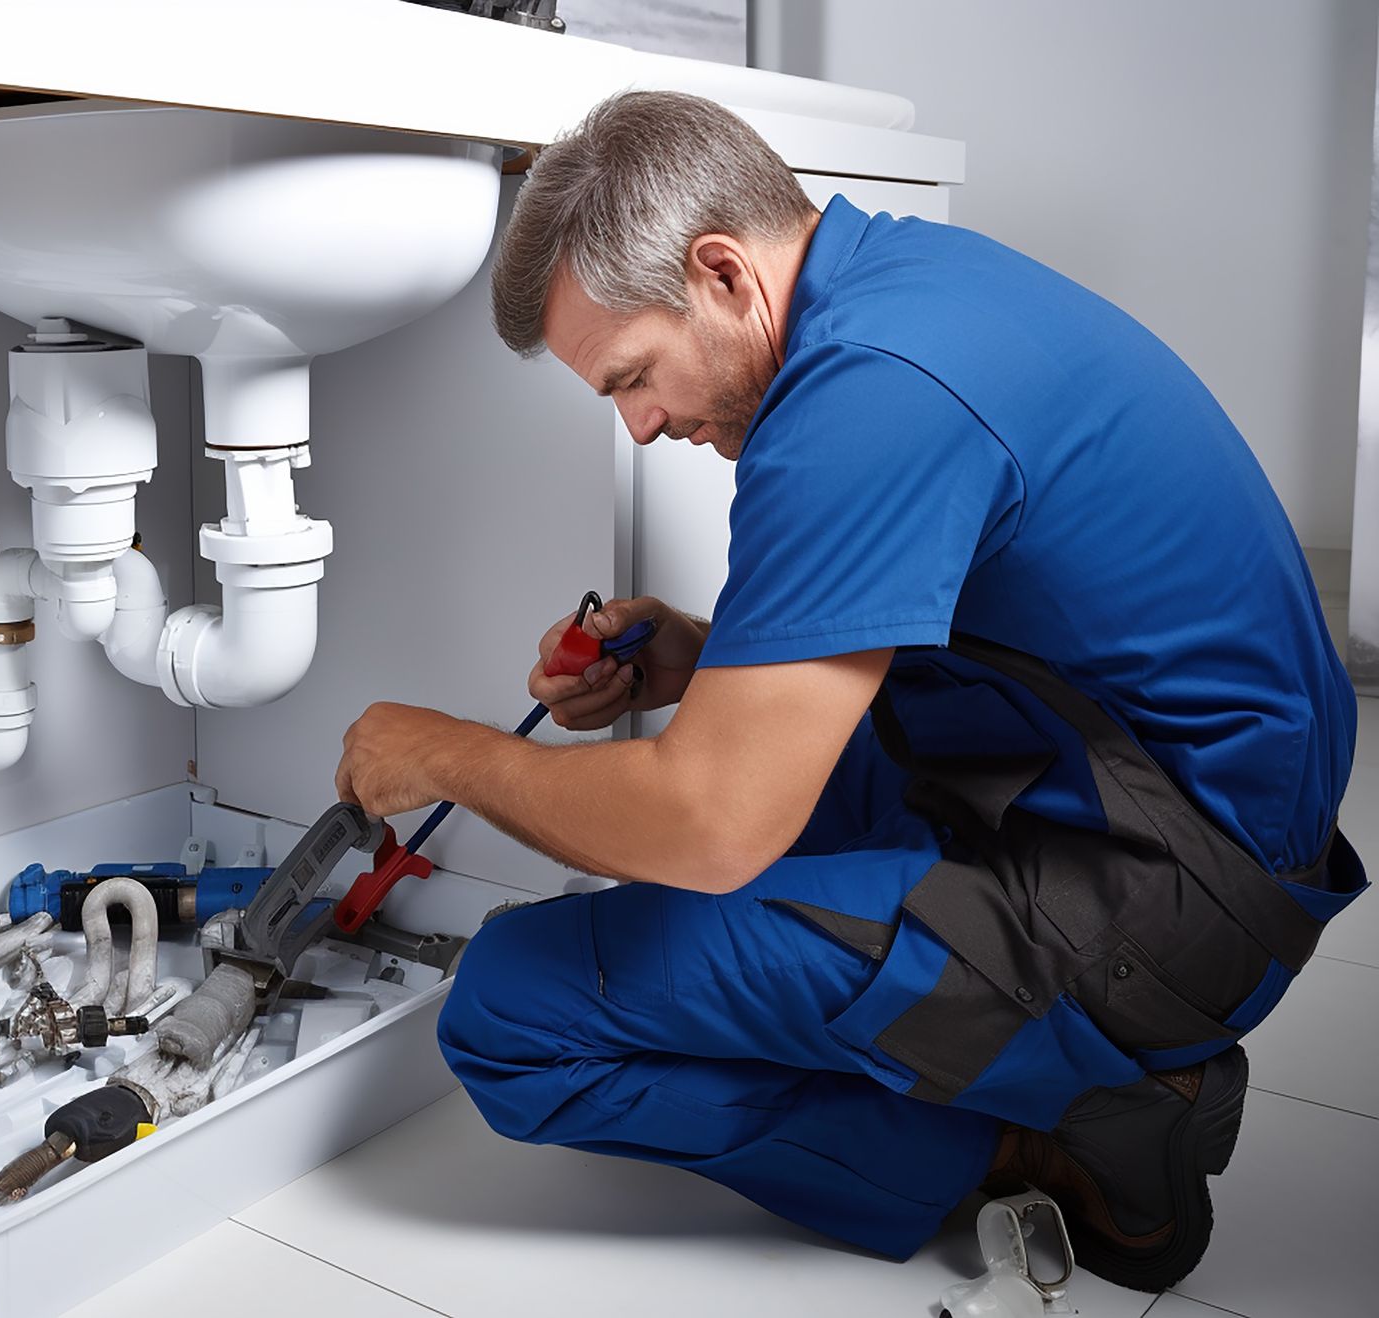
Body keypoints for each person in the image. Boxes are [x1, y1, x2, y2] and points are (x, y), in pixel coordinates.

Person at [332, 90, 1367, 1290]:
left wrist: (445, 753)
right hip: (1156, 796)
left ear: (721, 274)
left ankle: (1060, 1121)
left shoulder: (862, 396)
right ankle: (1009, 1056)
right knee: (686, 829)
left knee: (512, 1012)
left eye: (632, 376)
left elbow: (712, 825)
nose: (642, 423)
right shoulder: (902, 289)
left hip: (1169, 900)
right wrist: (696, 656)